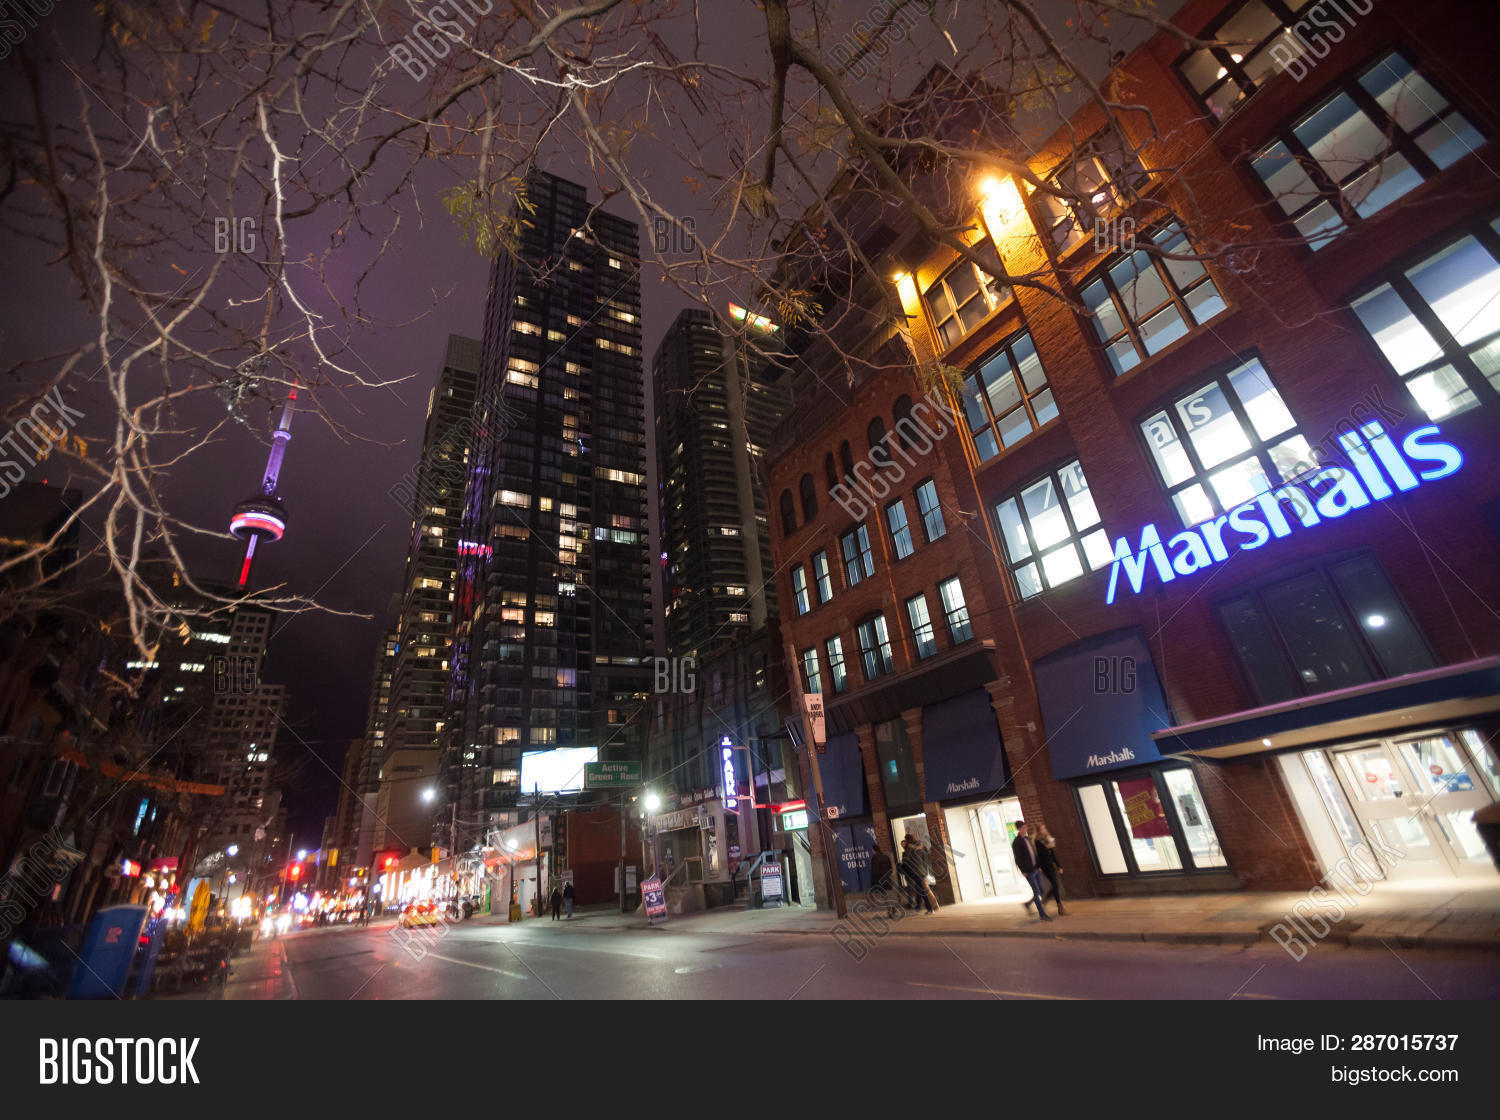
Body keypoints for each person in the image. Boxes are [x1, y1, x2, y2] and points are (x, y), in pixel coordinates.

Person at [1011, 822, 1052, 921]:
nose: (1026, 829)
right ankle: (1042, 915)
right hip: (1029, 871)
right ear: (1019, 829)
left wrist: (1038, 866)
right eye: (1024, 828)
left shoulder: (1027, 839)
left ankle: (1027, 904)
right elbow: (1018, 858)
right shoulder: (1016, 843)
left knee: (1041, 890)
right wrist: (1023, 870)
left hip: (1036, 869)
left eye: (1026, 827)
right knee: (1036, 891)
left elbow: (1033, 853)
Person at [899, 836, 936, 914]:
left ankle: (930, 908)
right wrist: (926, 871)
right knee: (920, 889)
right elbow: (926, 859)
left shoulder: (909, 849)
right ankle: (919, 906)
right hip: (922, 871)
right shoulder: (922, 847)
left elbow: (907, 862)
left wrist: (901, 867)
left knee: (921, 890)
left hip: (915, 872)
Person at [1037, 826, 1067, 915]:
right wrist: (1047, 846)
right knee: (1055, 884)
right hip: (1045, 866)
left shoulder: (1047, 839)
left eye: (1045, 828)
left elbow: (1053, 852)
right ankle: (1060, 907)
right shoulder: (1038, 841)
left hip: (1051, 865)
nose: (1044, 830)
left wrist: (1059, 866)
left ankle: (1046, 899)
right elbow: (1041, 855)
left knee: (1055, 885)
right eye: (1042, 829)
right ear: (1039, 831)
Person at [869, 840, 897, 916]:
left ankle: (890, 911)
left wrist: (873, 882)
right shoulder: (886, 856)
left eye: (872, 850)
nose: (872, 852)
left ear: (874, 850)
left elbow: (875, 870)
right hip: (887, 879)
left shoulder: (875, 858)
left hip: (880, 880)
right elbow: (891, 868)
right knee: (889, 894)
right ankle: (893, 907)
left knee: (885, 896)